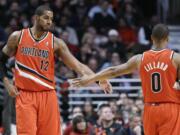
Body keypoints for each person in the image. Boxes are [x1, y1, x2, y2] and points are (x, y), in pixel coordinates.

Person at [0, 5, 112, 135]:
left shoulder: (56, 43)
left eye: (51, 19)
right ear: (36, 18)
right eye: (45, 18)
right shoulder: (17, 37)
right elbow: (1, 61)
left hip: (48, 95)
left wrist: (98, 80)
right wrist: (7, 84)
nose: (49, 21)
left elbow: (77, 65)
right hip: (26, 95)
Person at [71, 24, 180, 135]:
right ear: (168, 38)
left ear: (151, 38)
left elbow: (113, 70)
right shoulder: (176, 58)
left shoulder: (139, 58)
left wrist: (91, 78)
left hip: (149, 109)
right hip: (170, 107)